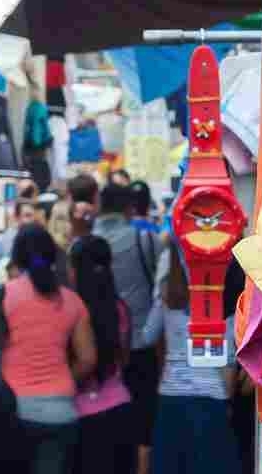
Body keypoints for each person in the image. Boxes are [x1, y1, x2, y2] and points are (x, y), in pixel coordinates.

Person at [0, 226, 96, 474]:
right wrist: (61, 382)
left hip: (14, 412)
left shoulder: (0, 295)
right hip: (62, 412)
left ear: (16, 258)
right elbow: (87, 359)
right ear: (52, 256)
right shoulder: (73, 300)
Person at [148, 245, 240, 474]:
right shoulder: (223, 299)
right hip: (212, 400)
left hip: (172, 398)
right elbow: (226, 365)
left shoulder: (167, 293)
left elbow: (147, 335)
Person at [92, 185, 163, 473]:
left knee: (107, 426)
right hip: (141, 344)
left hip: (101, 351)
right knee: (143, 424)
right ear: (130, 209)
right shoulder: (145, 240)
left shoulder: (85, 243)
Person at [68, 237, 136, 474]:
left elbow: (83, 361)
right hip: (120, 409)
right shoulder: (120, 309)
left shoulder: (72, 310)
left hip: (82, 416)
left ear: (76, 270)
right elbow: (124, 358)